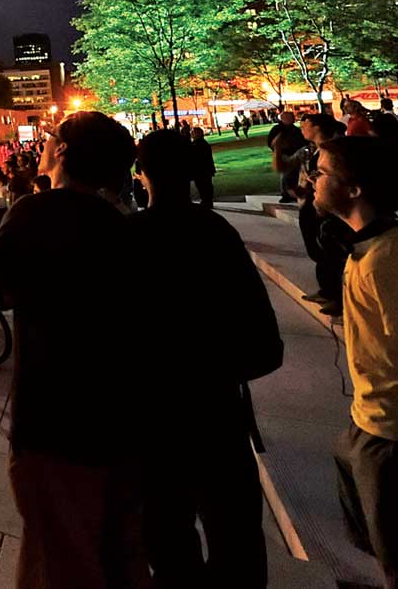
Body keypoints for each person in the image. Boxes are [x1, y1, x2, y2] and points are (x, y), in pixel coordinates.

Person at [0, 111, 151, 587]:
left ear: (63, 153)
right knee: (110, 553)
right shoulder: (119, 222)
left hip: (54, 418)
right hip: (116, 414)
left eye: (50, 138)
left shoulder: (36, 210)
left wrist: (19, 293)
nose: (44, 144)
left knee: (60, 556)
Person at [132, 130, 282, 586]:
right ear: (194, 175)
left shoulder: (128, 239)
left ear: (140, 176)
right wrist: (216, 371)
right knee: (236, 542)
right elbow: (266, 345)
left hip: (152, 422)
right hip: (217, 415)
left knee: (168, 544)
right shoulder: (218, 234)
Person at [313, 136, 398, 588]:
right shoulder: (370, 249)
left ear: (353, 189)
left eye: (322, 171)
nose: (311, 178)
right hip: (370, 423)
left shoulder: (389, 262)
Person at [297, 113, 350, 316]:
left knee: (330, 251)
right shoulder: (312, 151)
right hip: (310, 203)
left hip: (326, 208)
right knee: (318, 250)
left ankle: (338, 297)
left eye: (306, 124)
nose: (302, 128)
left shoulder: (333, 151)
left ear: (318, 127)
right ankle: (327, 290)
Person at [189, 126, 215, 207]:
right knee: (205, 186)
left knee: (203, 187)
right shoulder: (202, 143)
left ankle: (206, 201)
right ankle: (207, 201)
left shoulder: (198, 144)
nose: (191, 134)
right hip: (204, 170)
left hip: (201, 170)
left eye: (193, 132)